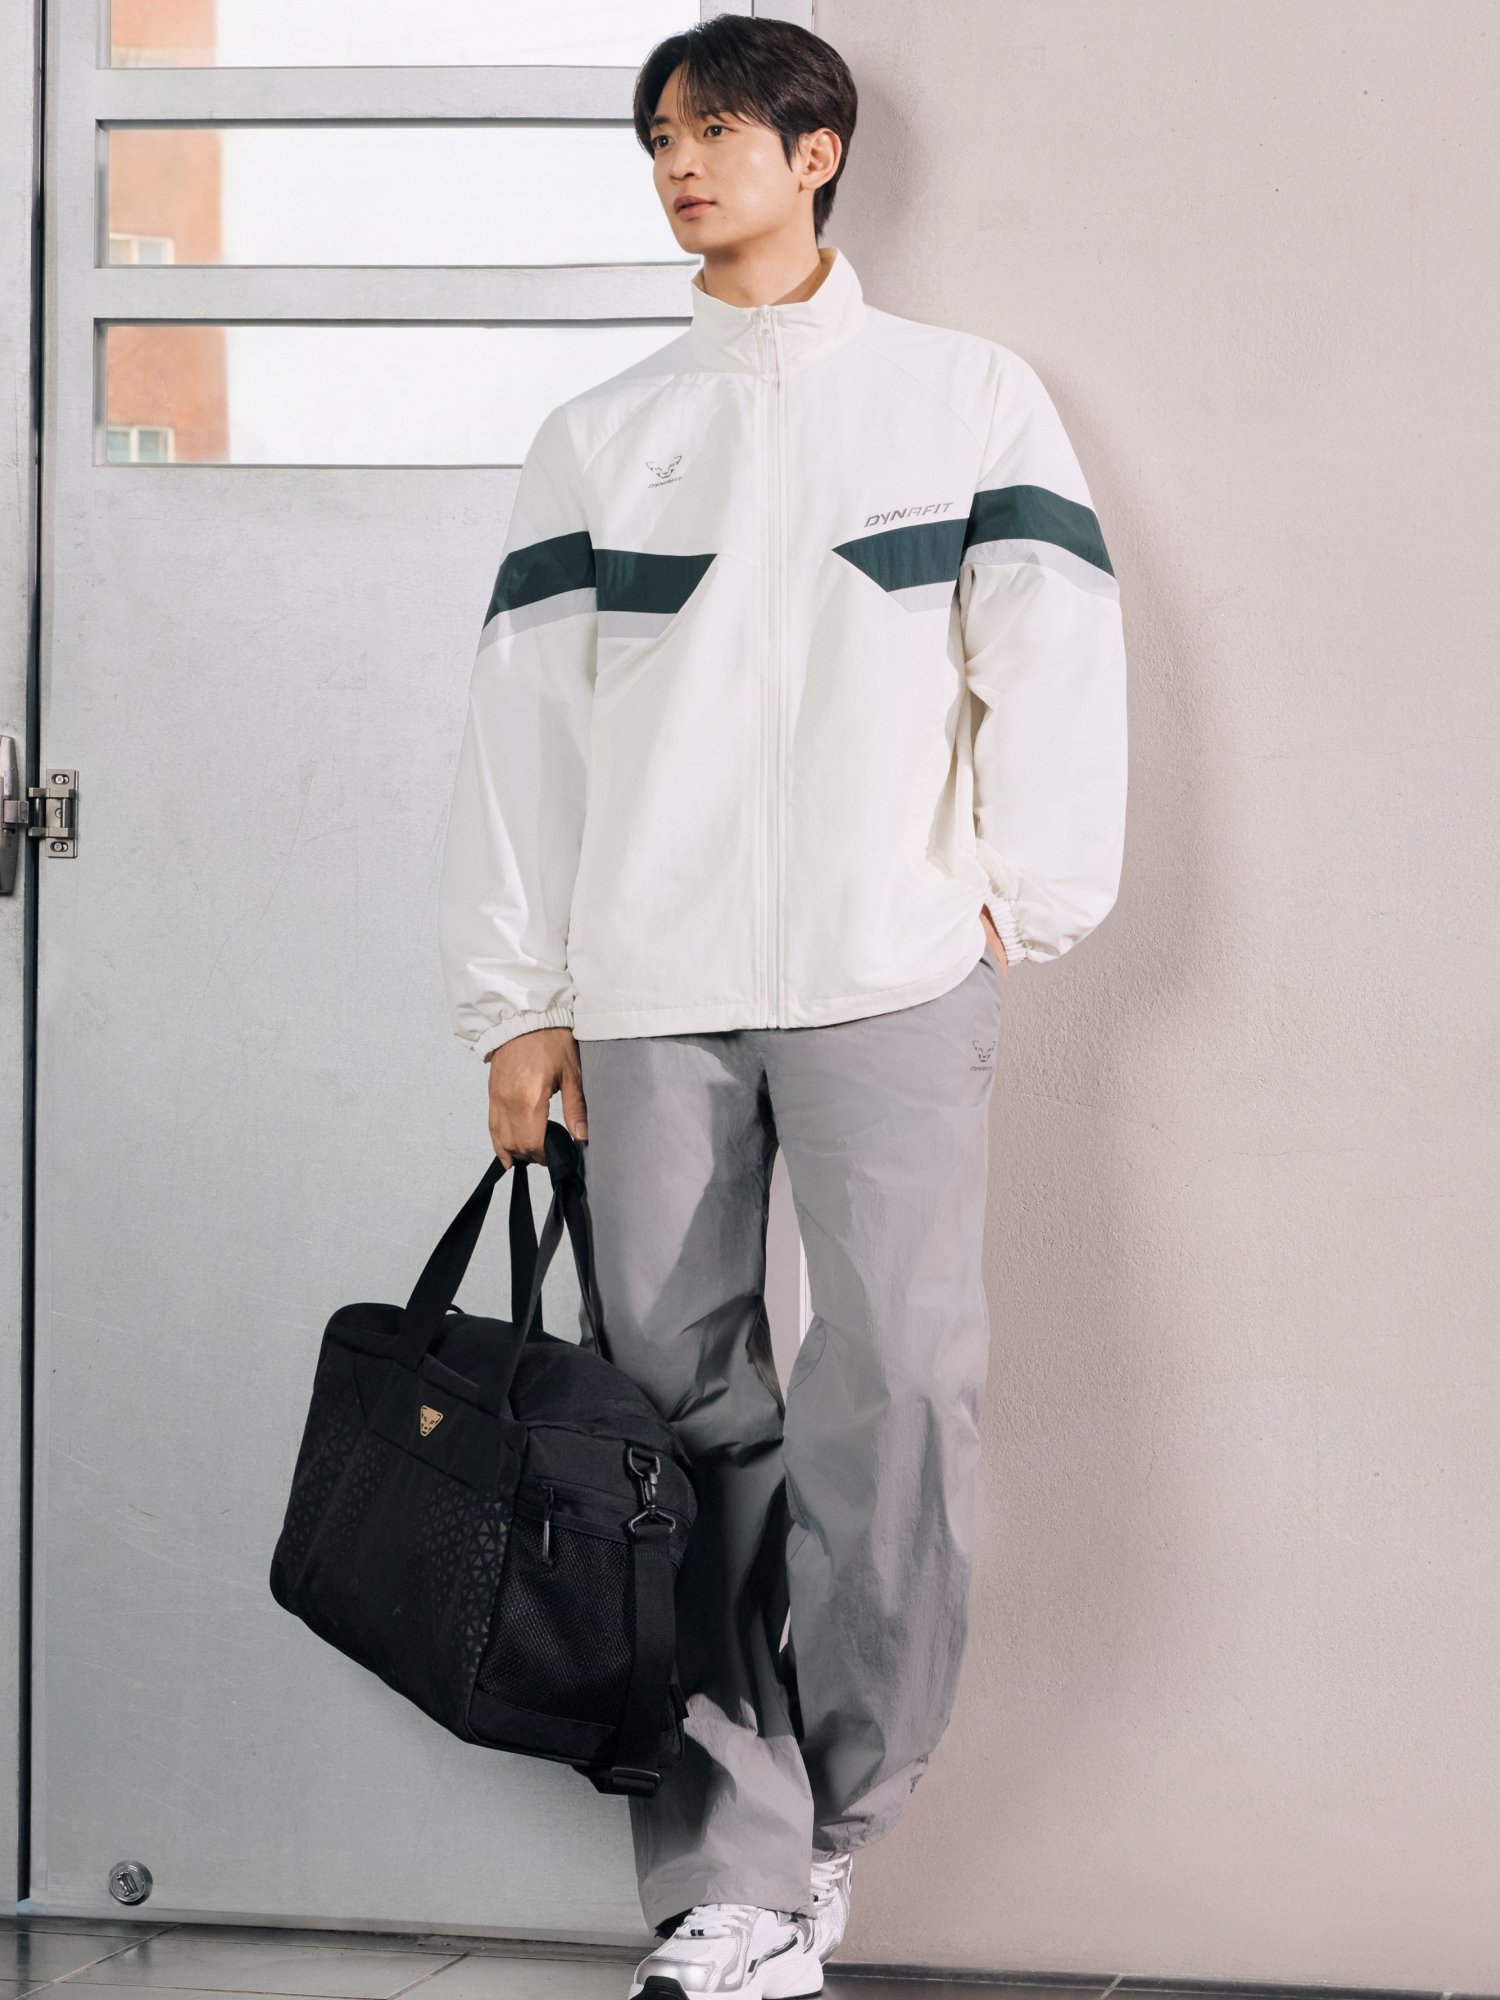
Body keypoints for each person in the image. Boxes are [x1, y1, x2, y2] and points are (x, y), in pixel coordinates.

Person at [440, 16, 1126, 1997]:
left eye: (718, 128)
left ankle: (835, 1816)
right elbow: (521, 739)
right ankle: (728, 1876)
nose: (681, 163)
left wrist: (1021, 895)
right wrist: (516, 1000)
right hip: (648, 988)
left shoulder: (964, 399)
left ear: (817, 150)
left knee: (896, 1392)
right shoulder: (602, 433)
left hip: (890, 966)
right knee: (669, 1429)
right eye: (660, 135)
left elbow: (1055, 650)